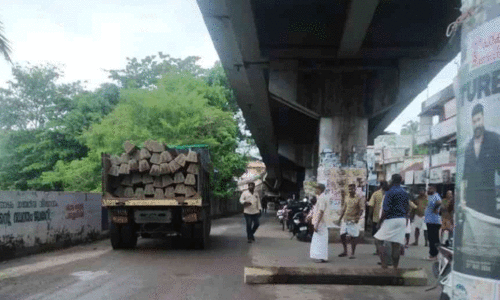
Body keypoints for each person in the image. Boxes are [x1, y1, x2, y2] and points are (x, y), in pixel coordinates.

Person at [462, 103, 500, 218]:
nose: (477, 124)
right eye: (474, 121)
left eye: (478, 120)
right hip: (470, 205)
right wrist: (462, 200)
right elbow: (464, 177)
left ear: (483, 118)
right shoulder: (468, 146)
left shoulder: (494, 140)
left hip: (488, 204)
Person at [374, 174, 409, 271]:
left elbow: (386, 210)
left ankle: (384, 264)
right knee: (396, 244)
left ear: (392, 180)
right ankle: (395, 267)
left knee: (378, 240)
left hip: (391, 219)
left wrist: (379, 222)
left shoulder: (389, 192)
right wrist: (406, 220)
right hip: (402, 219)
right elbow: (407, 208)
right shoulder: (404, 192)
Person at [338, 183, 365, 259]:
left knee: (353, 237)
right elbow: (344, 209)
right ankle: (345, 251)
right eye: (349, 189)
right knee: (342, 235)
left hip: (354, 220)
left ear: (355, 189)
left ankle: (352, 253)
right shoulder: (347, 197)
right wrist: (339, 219)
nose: (350, 190)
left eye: (352, 189)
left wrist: (358, 218)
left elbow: (361, 209)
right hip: (346, 219)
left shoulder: (359, 198)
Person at [367, 181, 389, 255]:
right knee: (384, 236)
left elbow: (371, 206)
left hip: (377, 219)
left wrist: (369, 217)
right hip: (386, 219)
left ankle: (378, 250)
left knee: (376, 236)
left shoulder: (376, 194)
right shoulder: (389, 194)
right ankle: (382, 250)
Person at [310, 183, 328, 263]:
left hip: (321, 222)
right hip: (321, 222)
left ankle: (321, 257)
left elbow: (321, 212)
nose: (315, 190)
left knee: (320, 240)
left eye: (316, 189)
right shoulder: (321, 197)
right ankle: (321, 257)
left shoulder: (322, 198)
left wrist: (316, 224)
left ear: (319, 189)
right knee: (319, 239)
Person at [425, 185, 442, 261]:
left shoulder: (436, 195)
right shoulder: (430, 196)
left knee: (433, 238)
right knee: (432, 238)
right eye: (428, 188)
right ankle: (435, 254)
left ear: (435, 189)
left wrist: (435, 208)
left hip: (434, 221)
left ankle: (434, 255)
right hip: (429, 220)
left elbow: (439, 202)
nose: (429, 189)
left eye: (430, 188)